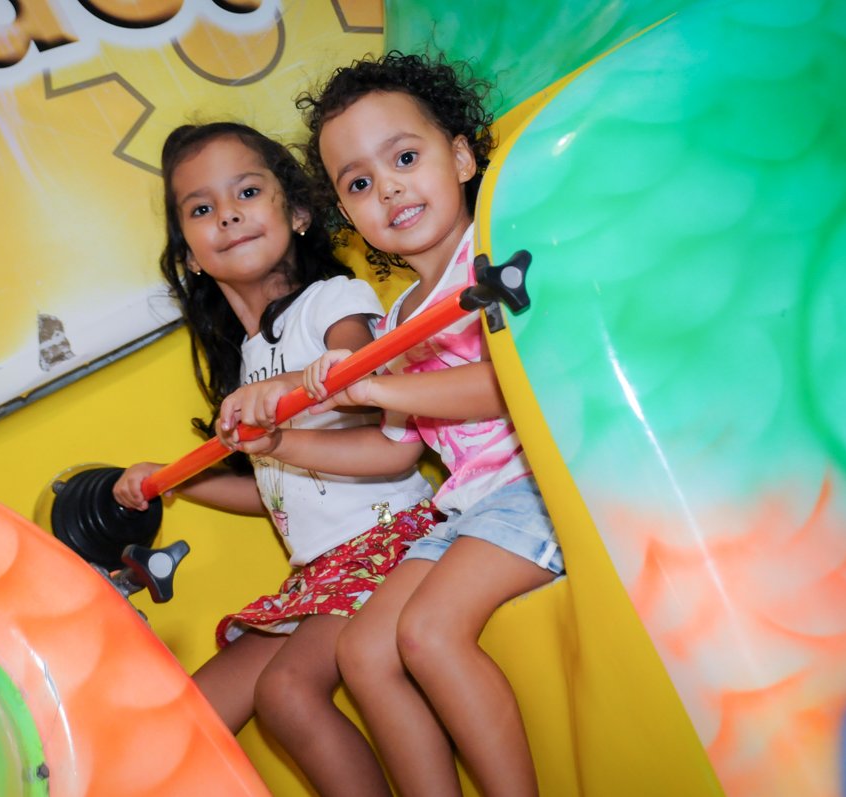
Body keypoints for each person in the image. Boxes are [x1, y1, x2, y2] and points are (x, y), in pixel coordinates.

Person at [217, 53, 565, 796]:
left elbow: (513, 388)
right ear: (348, 213)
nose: (390, 188)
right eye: (361, 183)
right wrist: (280, 439)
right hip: (470, 505)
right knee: (368, 653)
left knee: (429, 633)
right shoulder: (403, 317)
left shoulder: (495, 261)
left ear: (463, 155)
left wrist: (377, 380)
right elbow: (394, 448)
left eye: (406, 157)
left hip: (541, 483)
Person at [113, 122, 436, 797]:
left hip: (389, 542)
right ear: (192, 254)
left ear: (296, 211)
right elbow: (277, 487)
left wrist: (280, 396)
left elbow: (360, 372)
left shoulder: (334, 301)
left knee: (288, 691)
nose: (226, 214)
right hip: (319, 571)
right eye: (201, 209)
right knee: (188, 712)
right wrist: (172, 485)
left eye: (247, 192)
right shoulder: (247, 364)